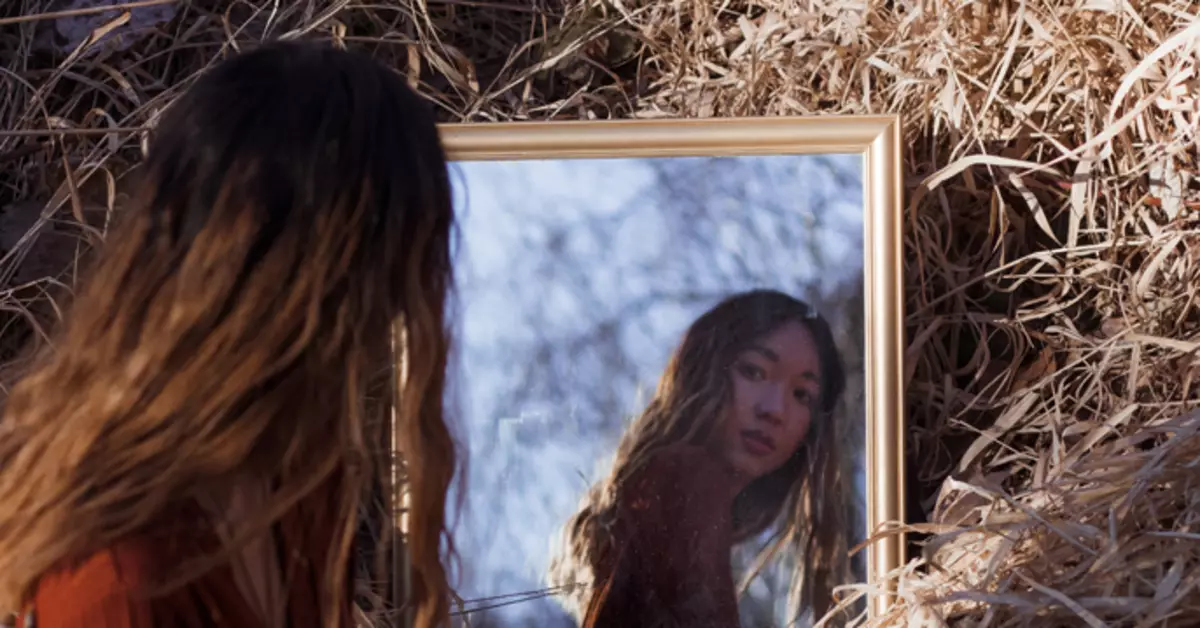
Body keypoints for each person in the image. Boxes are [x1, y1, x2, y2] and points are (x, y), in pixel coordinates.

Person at [0, 41, 459, 628]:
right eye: (396, 275)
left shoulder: (290, 476)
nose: (399, 317)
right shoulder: (115, 585)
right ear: (314, 290)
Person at [548, 289, 851, 627]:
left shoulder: (671, 492)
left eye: (801, 395)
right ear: (705, 370)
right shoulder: (687, 478)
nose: (774, 410)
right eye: (753, 372)